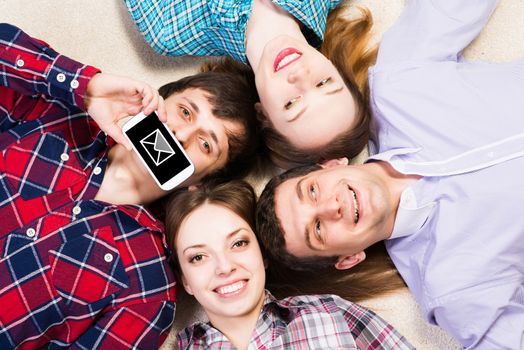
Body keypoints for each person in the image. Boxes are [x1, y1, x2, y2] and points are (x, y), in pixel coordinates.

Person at [256, 1, 524, 348]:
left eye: (311, 192)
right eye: (318, 230)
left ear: (332, 164)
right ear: (348, 259)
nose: (330, 208)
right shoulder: (452, 287)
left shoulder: (398, 83)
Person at [0, 23, 258, 349]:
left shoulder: (147, 290)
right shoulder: (57, 109)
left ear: (200, 182)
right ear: (158, 99)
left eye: (206, 145)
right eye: (184, 111)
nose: (181, 136)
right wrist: (86, 86)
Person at [164, 180, 414, 349]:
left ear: (262, 253)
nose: (224, 267)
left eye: (238, 243)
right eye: (198, 257)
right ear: (185, 280)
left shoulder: (330, 313)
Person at [124, 0, 376, 168]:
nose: (300, 75)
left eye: (291, 103)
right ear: (337, 69)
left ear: (262, 113)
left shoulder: (170, 30)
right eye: (324, 82)